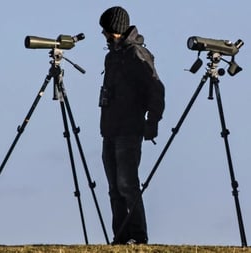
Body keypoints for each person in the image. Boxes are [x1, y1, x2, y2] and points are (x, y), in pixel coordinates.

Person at [98, 6, 165, 245]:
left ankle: (138, 236)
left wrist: (152, 121)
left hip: (129, 129)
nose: (104, 35)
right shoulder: (112, 56)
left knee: (127, 184)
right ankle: (120, 236)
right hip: (110, 129)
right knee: (114, 188)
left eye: (105, 31)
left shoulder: (137, 54)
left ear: (113, 30)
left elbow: (156, 89)